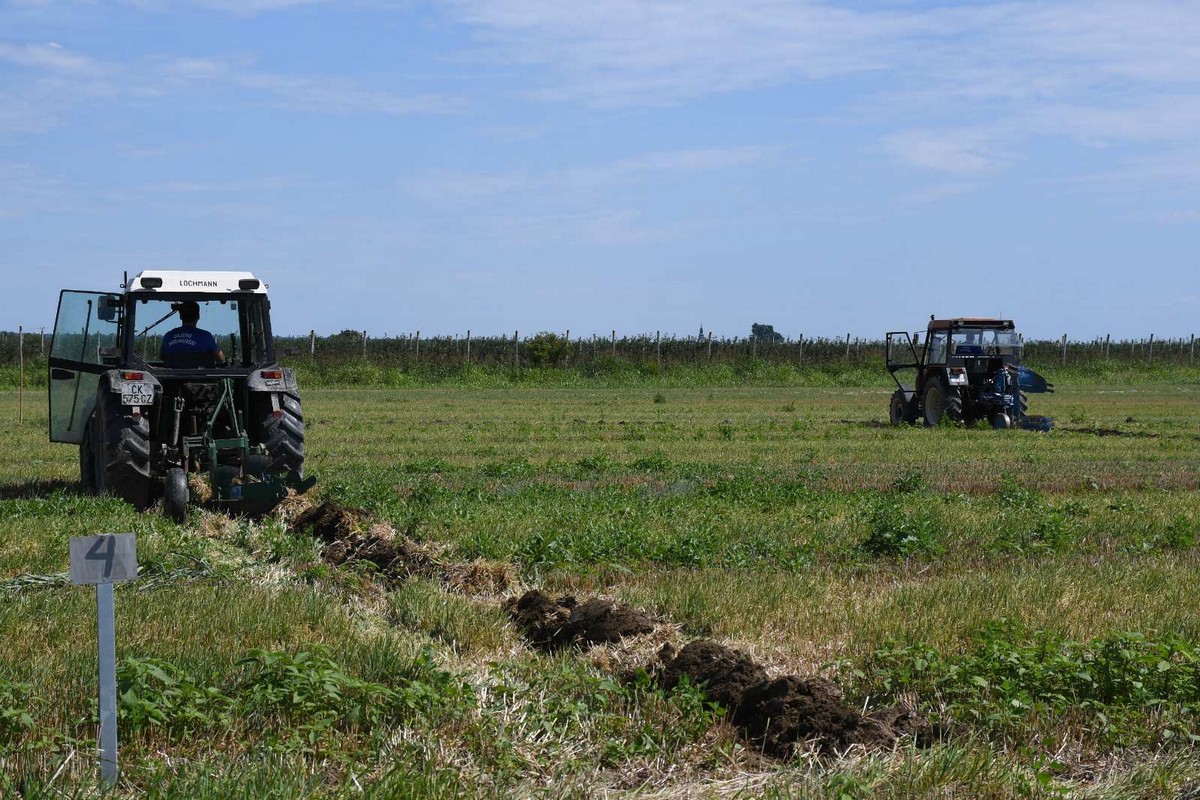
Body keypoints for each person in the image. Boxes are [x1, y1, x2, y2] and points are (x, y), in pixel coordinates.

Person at [160, 301, 225, 367]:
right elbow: (220, 358)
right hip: (200, 377)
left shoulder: (168, 336)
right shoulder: (206, 337)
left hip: (172, 377)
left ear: (181, 316)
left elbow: (162, 356)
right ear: (198, 316)